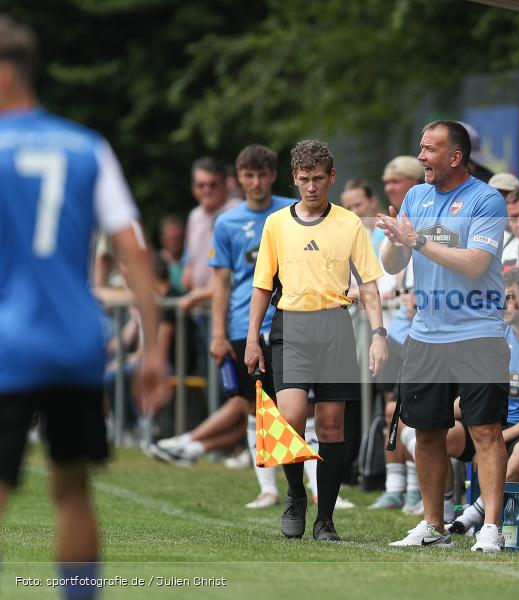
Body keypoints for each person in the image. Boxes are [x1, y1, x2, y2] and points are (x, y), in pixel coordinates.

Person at [0, 15, 168, 600]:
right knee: (72, 489)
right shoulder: (86, 147)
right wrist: (154, 348)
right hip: (76, 346)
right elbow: (133, 252)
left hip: (8, 346)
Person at [245, 139, 387, 541]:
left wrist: (378, 334)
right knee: (290, 417)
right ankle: (295, 494)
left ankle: (325, 518)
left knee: (330, 425)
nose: (311, 187)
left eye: (319, 179)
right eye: (304, 179)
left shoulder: (349, 223)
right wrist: (252, 338)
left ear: (332, 178)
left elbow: (370, 284)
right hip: (290, 325)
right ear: (294, 178)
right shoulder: (276, 223)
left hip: (335, 325)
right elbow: (261, 285)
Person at [378, 120, 510, 552]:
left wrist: (415, 239)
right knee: (427, 431)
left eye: (430, 149)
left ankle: (491, 527)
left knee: (485, 431)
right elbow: (394, 264)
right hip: (426, 335)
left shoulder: (486, 199)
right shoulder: (415, 196)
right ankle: (434, 525)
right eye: (420, 148)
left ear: (455, 157)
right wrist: (396, 240)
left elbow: (474, 264)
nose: (421, 157)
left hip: (478, 334)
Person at [148, 144, 293, 509]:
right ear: (238, 179)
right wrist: (218, 334)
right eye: (249, 175)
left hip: (291, 320)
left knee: (293, 404)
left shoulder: (290, 211)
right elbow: (222, 282)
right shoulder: (226, 222)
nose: (256, 182)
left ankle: (315, 488)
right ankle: (268, 487)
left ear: (273, 175)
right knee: (253, 406)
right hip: (244, 325)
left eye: (262, 174)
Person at [445, 268, 519, 534]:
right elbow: (475, 394)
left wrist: (502, 437)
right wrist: (440, 412)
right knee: (438, 433)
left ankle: (472, 515)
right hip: (494, 423)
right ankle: (443, 515)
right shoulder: (497, 336)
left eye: (511, 297)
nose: (505, 304)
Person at [368, 155, 425, 512]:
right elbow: (383, 272)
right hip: (393, 333)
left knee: (416, 412)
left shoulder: (431, 216)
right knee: (393, 407)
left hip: (422, 335)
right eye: (387, 182)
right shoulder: (388, 224)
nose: (390, 188)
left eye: (398, 181)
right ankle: (396, 487)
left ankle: (419, 489)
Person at [179, 157, 239, 378]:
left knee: (231, 386)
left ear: (225, 185)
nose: (207, 189)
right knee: (210, 380)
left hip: (229, 312)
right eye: (201, 185)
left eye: (213, 184)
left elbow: (230, 269)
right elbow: (190, 264)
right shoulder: (194, 216)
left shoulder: (234, 213)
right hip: (202, 312)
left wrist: (199, 294)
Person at [157, 214, 186, 294]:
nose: (175, 242)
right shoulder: (156, 262)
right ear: (163, 239)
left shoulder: (191, 260)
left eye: (178, 238)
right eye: (171, 238)